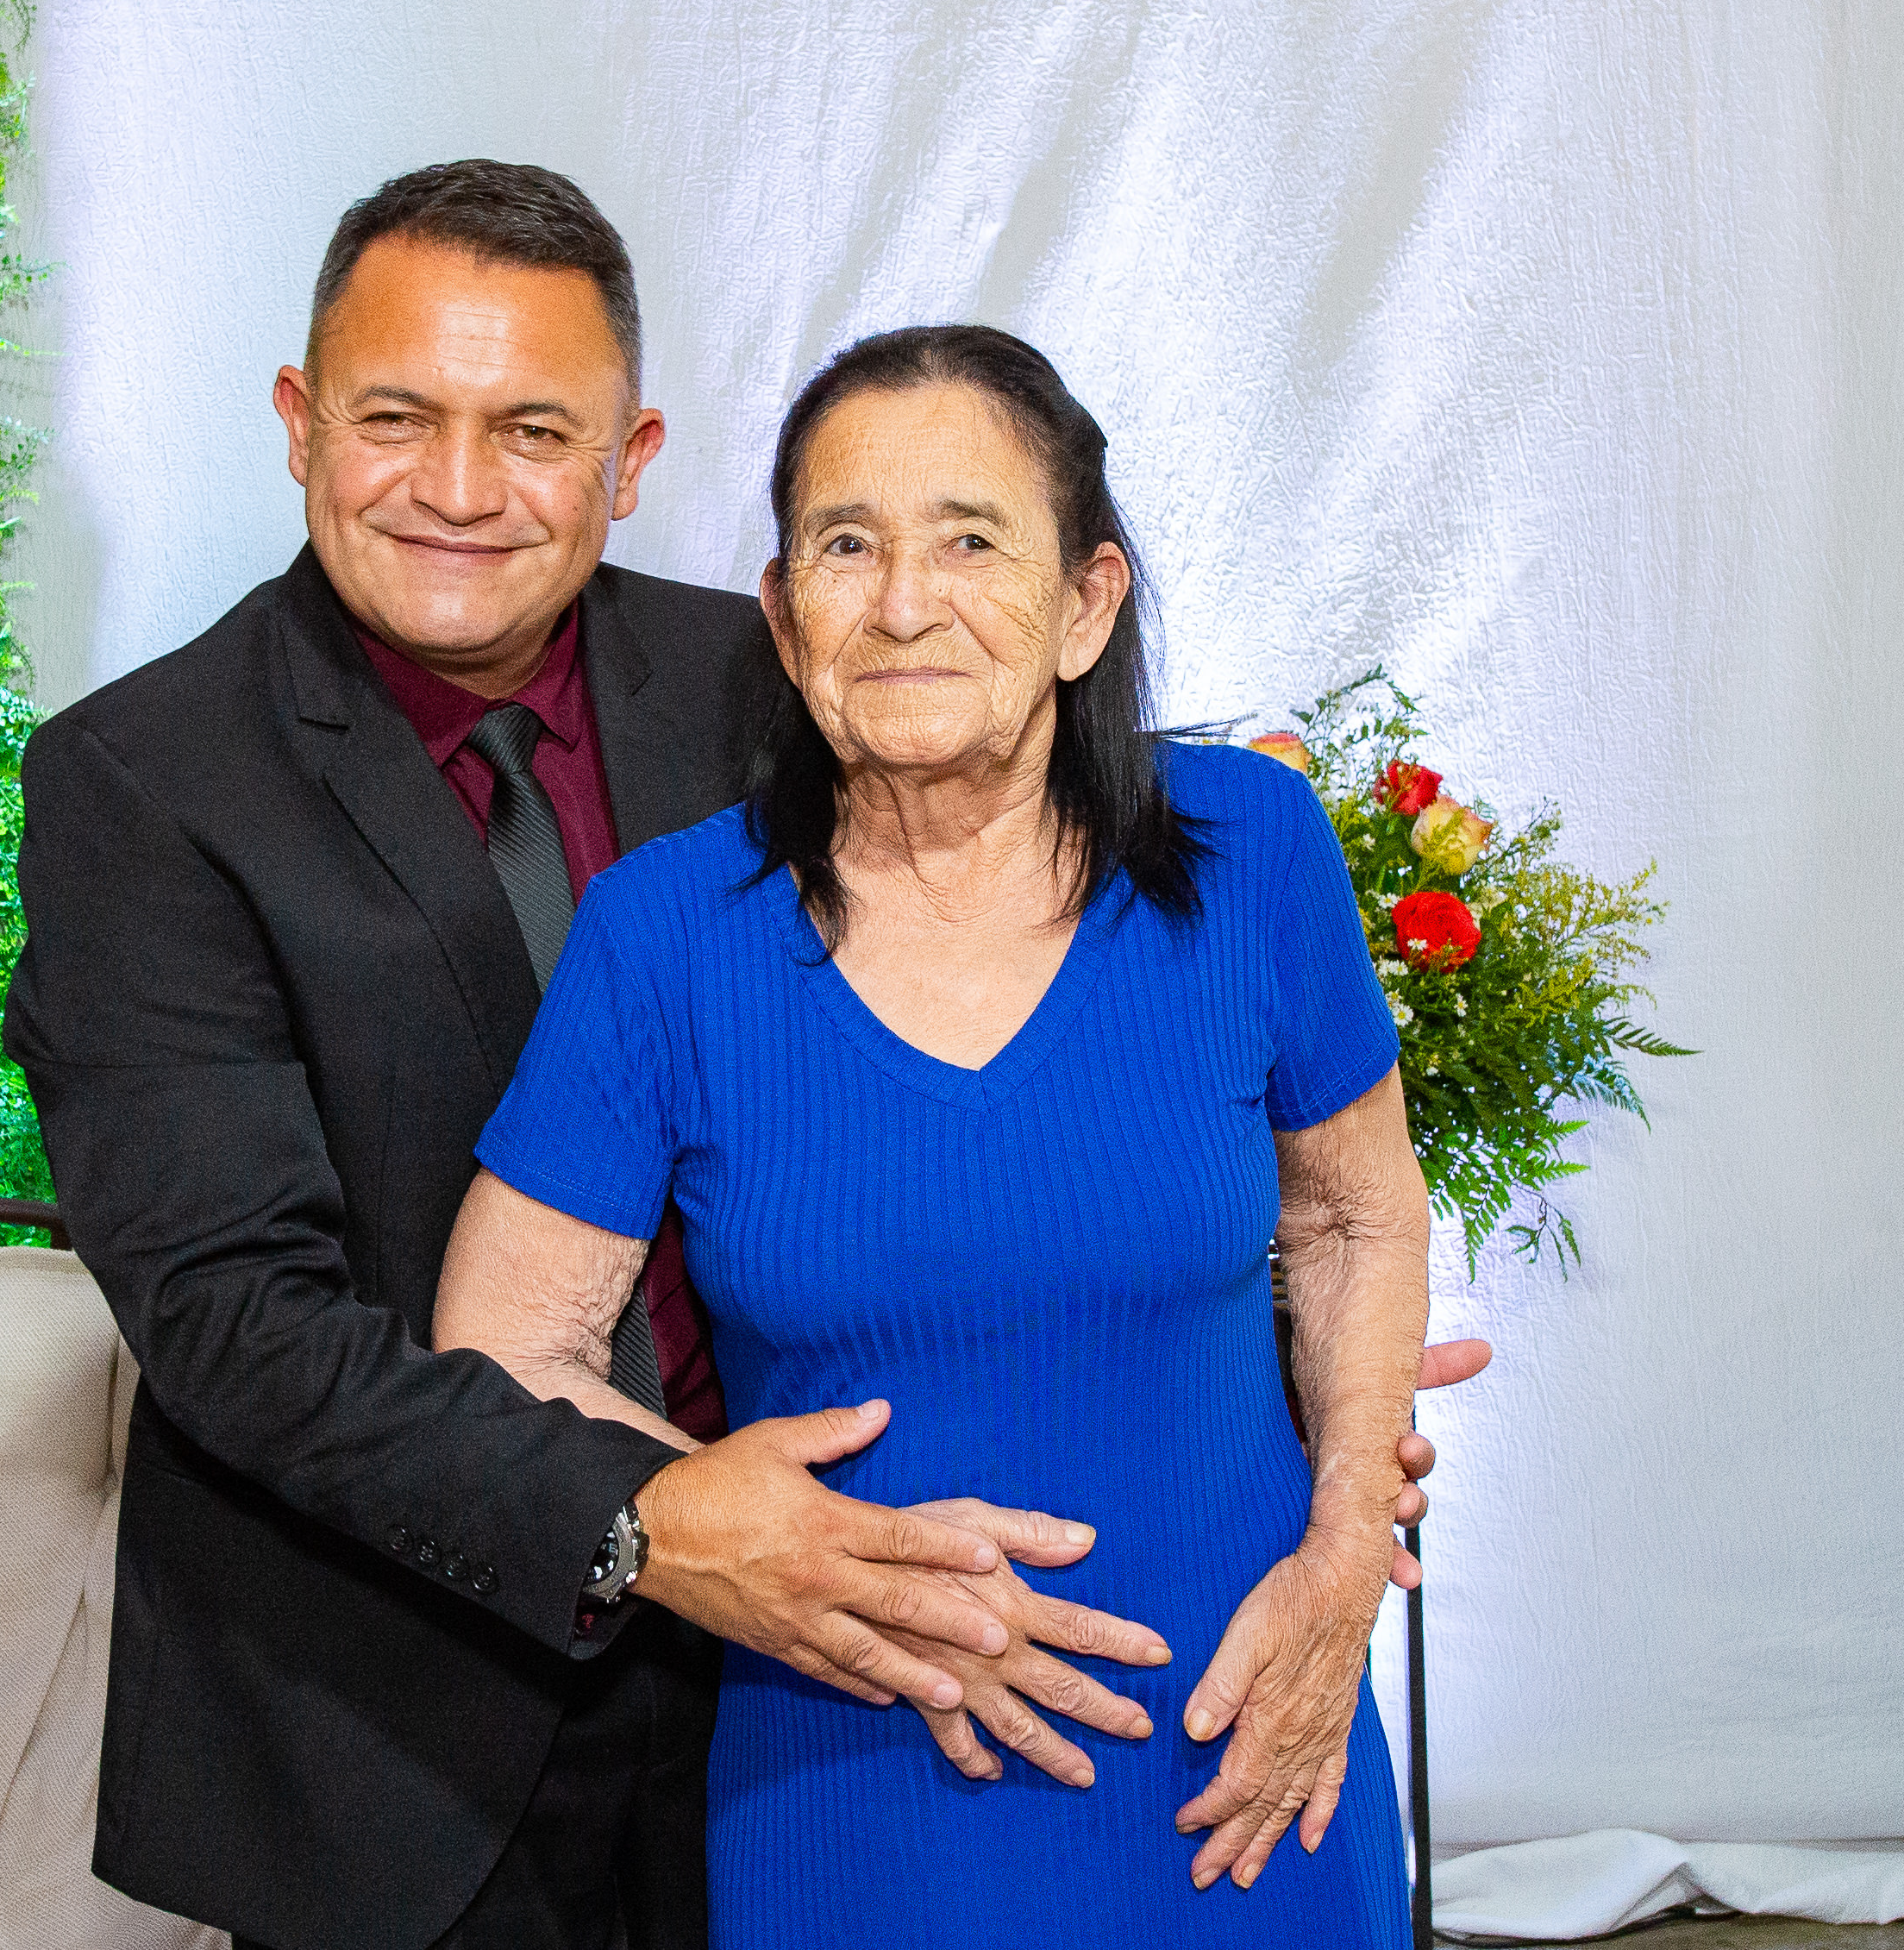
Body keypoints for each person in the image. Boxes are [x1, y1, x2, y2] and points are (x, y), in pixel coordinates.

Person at [438, 323, 1430, 1947]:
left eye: (972, 540)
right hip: (851, 1791)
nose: (904, 603)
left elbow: (1355, 1220)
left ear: (1085, 604)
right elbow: (502, 1347)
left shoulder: (1252, 849)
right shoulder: (666, 935)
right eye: (847, 546)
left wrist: (1342, 1559)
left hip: (1254, 1755)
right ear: (784, 618)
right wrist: (725, 1537)